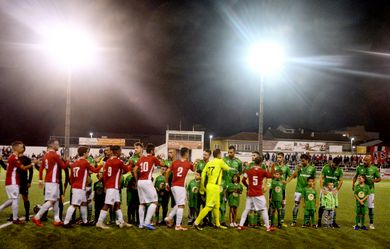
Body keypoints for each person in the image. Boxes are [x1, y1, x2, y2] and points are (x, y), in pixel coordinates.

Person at [32, 139, 68, 227]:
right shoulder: (55, 155)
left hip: (49, 181)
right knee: (52, 201)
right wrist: (67, 160)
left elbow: (41, 168)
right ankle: (37, 217)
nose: (58, 145)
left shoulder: (46, 155)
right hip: (53, 181)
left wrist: (40, 179)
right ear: (52, 145)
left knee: (56, 201)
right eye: (57, 144)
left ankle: (57, 219)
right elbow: (63, 166)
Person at [63, 146, 102, 228]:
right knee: (74, 205)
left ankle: (85, 221)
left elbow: (71, 178)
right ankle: (66, 222)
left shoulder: (74, 163)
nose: (88, 153)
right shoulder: (85, 162)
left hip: (76, 187)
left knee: (83, 204)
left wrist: (73, 185)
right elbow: (95, 170)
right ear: (84, 153)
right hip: (79, 188)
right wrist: (101, 165)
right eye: (87, 152)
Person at [193, 149, 232, 230]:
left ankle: (217, 224)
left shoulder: (209, 163)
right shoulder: (220, 161)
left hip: (210, 185)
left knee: (216, 206)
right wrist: (234, 169)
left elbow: (203, 173)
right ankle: (196, 222)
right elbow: (227, 168)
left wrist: (203, 186)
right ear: (218, 154)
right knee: (209, 206)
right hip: (214, 187)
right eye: (220, 154)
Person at [95, 146, 132, 229]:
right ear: (117, 152)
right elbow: (127, 169)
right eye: (120, 151)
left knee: (117, 204)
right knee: (107, 204)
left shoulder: (108, 161)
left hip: (111, 186)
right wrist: (131, 164)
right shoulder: (119, 161)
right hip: (113, 187)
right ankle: (99, 222)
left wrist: (105, 186)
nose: (121, 153)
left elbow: (104, 175)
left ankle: (121, 222)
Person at [237, 156, 275, 231]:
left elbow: (243, 180)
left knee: (247, 209)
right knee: (264, 209)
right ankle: (268, 227)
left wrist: (248, 186)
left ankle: (240, 225)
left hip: (250, 193)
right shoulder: (262, 171)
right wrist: (272, 167)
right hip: (258, 193)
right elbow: (271, 176)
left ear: (254, 162)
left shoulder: (249, 171)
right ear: (261, 163)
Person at [0, 141, 34, 224]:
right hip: (13, 182)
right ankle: (15, 219)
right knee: (15, 199)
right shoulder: (14, 157)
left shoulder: (12, 157)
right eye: (21, 147)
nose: (23, 148)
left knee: (12, 199)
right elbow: (23, 168)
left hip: (10, 182)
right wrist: (33, 163)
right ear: (17, 148)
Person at [133, 143, 163, 230]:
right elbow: (162, 164)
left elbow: (134, 170)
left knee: (142, 203)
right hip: (147, 181)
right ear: (152, 150)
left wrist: (136, 180)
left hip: (140, 182)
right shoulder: (153, 158)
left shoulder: (141, 158)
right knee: (155, 202)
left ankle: (141, 224)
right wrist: (160, 158)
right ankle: (147, 222)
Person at [164, 147, 194, 231]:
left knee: (179, 204)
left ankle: (169, 217)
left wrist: (167, 183)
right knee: (181, 205)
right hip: (180, 186)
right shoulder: (188, 163)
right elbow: (194, 169)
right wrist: (195, 163)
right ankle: (177, 226)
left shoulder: (175, 162)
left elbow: (167, 172)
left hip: (173, 186)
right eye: (188, 153)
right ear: (186, 153)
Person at [286, 154, 316, 227]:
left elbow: (314, 179)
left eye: (303, 161)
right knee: (296, 205)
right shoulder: (299, 167)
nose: (302, 162)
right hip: (298, 190)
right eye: (301, 161)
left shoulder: (312, 168)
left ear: (307, 160)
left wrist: (313, 189)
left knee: (308, 206)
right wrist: (287, 181)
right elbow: (294, 176)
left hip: (308, 191)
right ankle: (294, 221)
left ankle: (307, 221)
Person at [353, 155, 381, 229]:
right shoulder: (359, 168)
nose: (364, 162)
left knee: (370, 208)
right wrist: (353, 185)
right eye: (363, 160)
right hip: (360, 191)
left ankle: (371, 223)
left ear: (370, 161)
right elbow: (355, 176)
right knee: (360, 207)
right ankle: (358, 223)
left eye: (366, 160)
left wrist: (373, 180)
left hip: (370, 191)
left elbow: (379, 178)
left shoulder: (374, 169)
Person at [221, 146, 243, 226]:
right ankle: (222, 220)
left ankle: (233, 221)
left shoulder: (238, 162)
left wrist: (235, 180)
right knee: (223, 203)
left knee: (233, 205)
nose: (229, 154)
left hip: (233, 187)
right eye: (228, 152)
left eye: (231, 152)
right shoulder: (224, 160)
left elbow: (240, 172)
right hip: (224, 184)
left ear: (234, 152)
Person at [125, 142, 143, 226]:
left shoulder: (144, 158)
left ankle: (139, 219)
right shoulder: (132, 159)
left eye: (137, 148)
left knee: (140, 202)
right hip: (133, 183)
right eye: (135, 148)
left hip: (142, 182)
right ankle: (130, 219)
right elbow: (126, 168)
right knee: (131, 202)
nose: (135, 149)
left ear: (142, 149)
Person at [15, 145, 34, 222]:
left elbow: (31, 171)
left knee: (25, 198)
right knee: (14, 199)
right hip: (15, 181)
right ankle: (14, 215)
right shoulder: (15, 158)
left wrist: (29, 181)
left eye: (21, 147)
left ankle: (27, 215)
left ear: (23, 149)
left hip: (23, 181)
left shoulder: (27, 159)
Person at [194, 150, 212, 226]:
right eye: (203, 154)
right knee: (198, 206)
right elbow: (196, 176)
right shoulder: (200, 164)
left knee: (207, 206)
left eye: (206, 155)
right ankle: (197, 221)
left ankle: (207, 221)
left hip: (209, 188)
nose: (204, 156)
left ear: (209, 156)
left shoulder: (211, 164)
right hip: (200, 188)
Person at [273, 152, 291, 226]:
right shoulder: (274, 166)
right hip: (274, 189)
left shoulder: (286, 167)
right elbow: (270, 175)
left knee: (283, 205)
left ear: (283, 158)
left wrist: (286, 181)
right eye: (277, 157)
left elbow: (290, 176)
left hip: (283, 189)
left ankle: (281, 221)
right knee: (272, 205)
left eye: (280, 157)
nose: (278, 159)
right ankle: (271, 221)